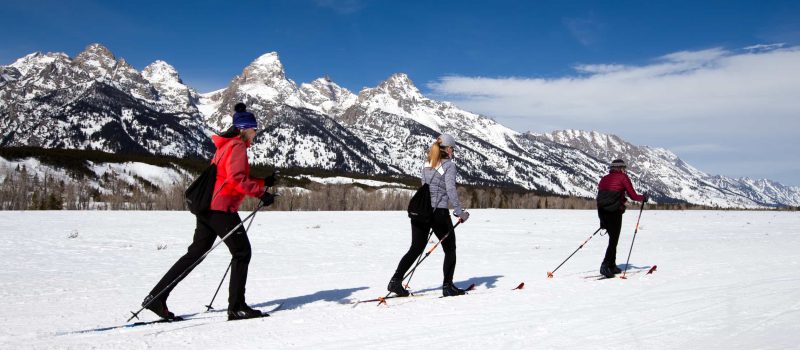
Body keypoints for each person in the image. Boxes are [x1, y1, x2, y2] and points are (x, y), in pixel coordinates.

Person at [141, 102, 277, 321]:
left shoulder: (225, 145)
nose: (255, 133)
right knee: (242, 252)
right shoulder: (238, 147)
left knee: (195, 253)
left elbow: (227, 176)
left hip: (207, 207)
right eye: (254, 129)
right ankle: (237, 307)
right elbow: (236, 179)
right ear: (244, 128)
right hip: (220, 209)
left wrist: (262, 183)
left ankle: (157, 297)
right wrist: (261, 194)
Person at [388, 133, 471, 297]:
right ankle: (448, 286)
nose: (453, 151)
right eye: (452, 148)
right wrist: (459, 212)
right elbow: (450, 189)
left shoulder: (427, 163)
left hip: (422, 211)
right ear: (447, 149)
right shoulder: (449, 166)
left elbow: (424, 185)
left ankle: (395, 281)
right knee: (450, 249)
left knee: (416, 248)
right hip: (438, 212)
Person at [595, 159, 647, 278]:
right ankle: (605, 264)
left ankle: (612, 265)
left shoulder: (604, 178)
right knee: (614, 240)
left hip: (602, 211)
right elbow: (633, 196)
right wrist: (643, 197)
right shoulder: (623, 178)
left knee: (612, 239)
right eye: (624, 168)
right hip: (614, 211)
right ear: (621, 168)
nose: (625, 170)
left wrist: (601, 220)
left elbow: (599, 197)